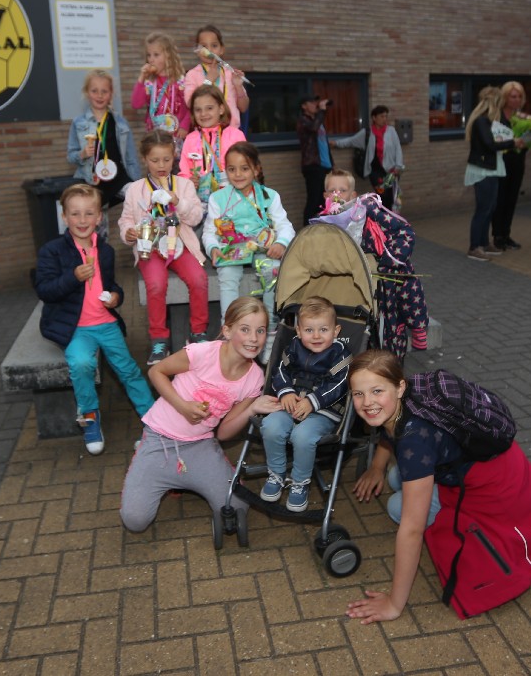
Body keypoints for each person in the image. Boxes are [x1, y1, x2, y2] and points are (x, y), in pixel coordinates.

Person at [344, 350, 531, 623]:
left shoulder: (414, 441)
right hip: (498, 462)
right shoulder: (410, 393)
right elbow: (390, 430)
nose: (367, 402)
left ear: (400, 387)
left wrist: (394, 604)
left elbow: (412, 530)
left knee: (398, 507)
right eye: (358, 394)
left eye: (376, 391)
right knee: (397, 478)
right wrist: (377, 467)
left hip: (494, 486)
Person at [120, 297, 279, 532]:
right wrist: (183, 406)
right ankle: (151, 463)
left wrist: (252, 409)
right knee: (135, 521)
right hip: (159, 440)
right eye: (245, 329)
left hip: (199, 444)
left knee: (237, 506)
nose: (254, 338)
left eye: (261, 330)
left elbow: (223, 433)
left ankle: (183, 477)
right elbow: (156, 372)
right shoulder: (202, 352)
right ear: (227, 330)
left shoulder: (255, 378)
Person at [33, 184, 154, 455]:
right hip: (74, 327)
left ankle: (155, 421)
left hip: (105, 323)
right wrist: (72, 277)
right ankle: (89, 418)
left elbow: (111, 286)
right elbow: (44, 290)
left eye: (89, 213)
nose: (82, 220)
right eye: (75, 214)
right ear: (64, 217)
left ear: (99, 217)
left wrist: (116, 297)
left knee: (128, 370)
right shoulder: (53, 251)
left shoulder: (105, 251)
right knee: (82, 363)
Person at [119, 131, 210, 365]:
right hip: (150, 248)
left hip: (179, 245)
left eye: (166, 159)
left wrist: (178, 202)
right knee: (156, 285)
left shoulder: (184, 185)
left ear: (174, 157)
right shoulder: (135, 189)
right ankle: (159, 340)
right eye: (155, 160)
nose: (161, 165)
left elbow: (196, 217)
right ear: (144, 159)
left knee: (199, 279)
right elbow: (126, 220)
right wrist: (128, 232)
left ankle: (198, 332)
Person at [260, 296, 351, 512]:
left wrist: (313, 401)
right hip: (291, 403)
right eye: (309, 330)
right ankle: (276, 473)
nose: (316, 336)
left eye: (323, 330)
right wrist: (285, 392)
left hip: (324, 411)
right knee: (270, 426)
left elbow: (339, 385)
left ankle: (300, 482)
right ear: (299, 331)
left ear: (336, 331)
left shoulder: (341, 354)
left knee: (302, 436)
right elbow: (280, 370)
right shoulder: (294, 346)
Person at [322, 169, 428, 354]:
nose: (337, 195)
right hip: (348, 289)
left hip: (380, 274)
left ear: (353, 195)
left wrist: (388, 260)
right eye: (332, 191)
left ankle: (417, 325)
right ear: (325, 196)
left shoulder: (368, 211)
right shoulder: (324, 222)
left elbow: (403, 232)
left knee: (407, 277)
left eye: (343, 190)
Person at [203, 142, 294, 347]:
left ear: (256, 169)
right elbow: (209, 231)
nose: (238, 174)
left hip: (263, 250)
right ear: (225, 171)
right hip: (232, 251)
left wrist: (281, 243)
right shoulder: (218, 198)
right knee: (227, 276)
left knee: (273, 271)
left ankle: (270, 330)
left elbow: (285, 226)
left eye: (244, 168)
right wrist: (213, 248)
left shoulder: (269, 196)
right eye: (232, 169)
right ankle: (228, 331)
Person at [67, 70, 142, 211]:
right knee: (96, 220)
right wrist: (82, 154)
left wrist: (138, 184)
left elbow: (131, 157)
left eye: (104, 91)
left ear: (111, 93)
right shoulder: (78, 123)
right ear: (87, 92)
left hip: (118, 178)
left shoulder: (121, 123)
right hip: (92, 181)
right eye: (94, 91)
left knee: (140, 200)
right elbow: (71, 156)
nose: (99, 96)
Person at [465, 86, 521, 261]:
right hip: (484, 169)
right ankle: (475, 246)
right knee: (483, 209)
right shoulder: (482, 121)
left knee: (490, 208)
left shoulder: (489, 121)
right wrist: (512, 143)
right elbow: (490, 145)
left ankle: (483, 242)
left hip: (491, 167)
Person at [178, 86, 247, 205]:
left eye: (209, 108)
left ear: (221, 109)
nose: (203, 114)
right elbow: (184, 172)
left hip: (233, 201)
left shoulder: (236, 135)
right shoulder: (190, 139)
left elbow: (246, 168)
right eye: (198, 110)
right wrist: (188, 182)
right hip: (200, 204)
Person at [491, 81, 531, 250]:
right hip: (500, 162)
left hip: (518, 162)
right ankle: (497, 235)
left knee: (512, 199)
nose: (516, 100)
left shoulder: (522, 117)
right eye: (512, 96)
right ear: (505, 97)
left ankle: (506, 234)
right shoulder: (496, 116)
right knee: (500, 199)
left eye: (519, 97)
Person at [332, 105, 404, 210]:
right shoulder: (367, 133)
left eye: (386, 116)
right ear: (374, 118)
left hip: (390, 170)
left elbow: (398, 149)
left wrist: (398, 166)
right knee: (382, 194)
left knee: (390, 196)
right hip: (375, 171)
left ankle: (387, 216)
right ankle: (383, 215)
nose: (384, 119)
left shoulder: (391, 131)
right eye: (382, 116)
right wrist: (336, 143)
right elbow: (351, 141)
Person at [182, 24, 249, 130]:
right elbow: (190, 104)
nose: (209, 50)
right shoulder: (192, 74)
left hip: (231, 132)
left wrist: (238, 87)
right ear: (198, 51)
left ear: (222, 49)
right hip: (204, 134)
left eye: (214, 45)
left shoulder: (230, 73)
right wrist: (208, 81)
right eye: (204, 46)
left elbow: (243, 107)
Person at [131, 32, 191, 140]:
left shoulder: (181, 81)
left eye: (156, 55)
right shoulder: (149, 82)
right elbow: (136, 104)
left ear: (168, 55)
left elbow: (190, 106)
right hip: (155, 137)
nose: (151, 59)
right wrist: (141, 78)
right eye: (149, 55)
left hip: (176, 136)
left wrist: (185, 125)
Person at [297, 95, 334, 223]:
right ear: (304, 106)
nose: (315, 105)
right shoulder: (303, 120)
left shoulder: (318, 121)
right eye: (311, 102)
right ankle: (306, 231)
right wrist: (322, 111)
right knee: (313, 201)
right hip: (313, 166)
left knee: (323, 202)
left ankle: (320, 228)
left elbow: (324, 144)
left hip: (325, 166)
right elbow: (313, 128)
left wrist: (331, 164)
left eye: (316, 102)